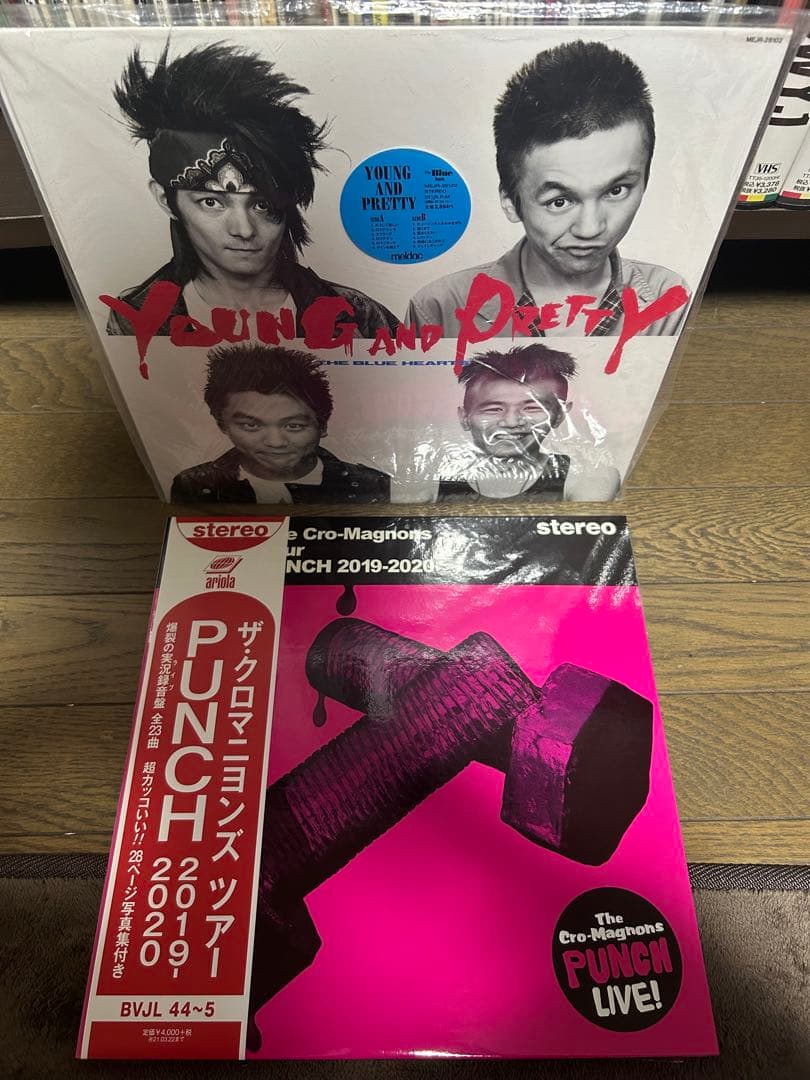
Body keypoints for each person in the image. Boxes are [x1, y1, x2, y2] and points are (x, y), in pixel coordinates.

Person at [105, 41, 397, 338]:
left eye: (262, 204)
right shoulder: (134, 321)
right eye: (211, 202)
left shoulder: (358, 318)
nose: (244, 230)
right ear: (165, 200)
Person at [407, 40, 688, 339]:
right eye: (559, 201)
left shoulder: (670, 300)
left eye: (616, 190)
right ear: (510, 202)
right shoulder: (439, 309)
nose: (590, 229)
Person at [171, 344, 390, 503]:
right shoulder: (195, 486)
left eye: (293, 426)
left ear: (322, 426)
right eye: (251, 426)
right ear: (222, 425)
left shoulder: (370, 484)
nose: (275, 443)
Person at [435, 344, 620, 502]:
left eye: (532, 408)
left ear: (560, 415)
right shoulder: (431, 477)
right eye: (493, 409)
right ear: (464, 417)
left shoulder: (588, 477)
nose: (511, 422)